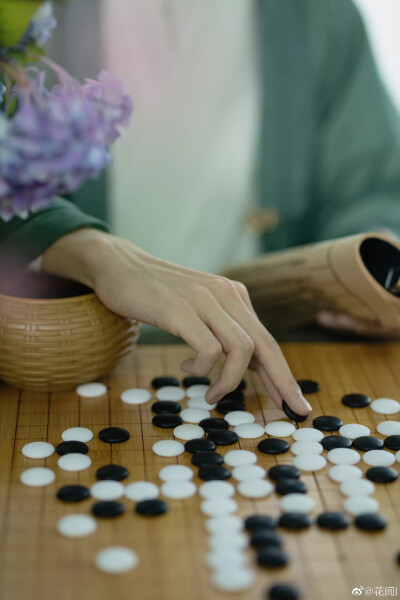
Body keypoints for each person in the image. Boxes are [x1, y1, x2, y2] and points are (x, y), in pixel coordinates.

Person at [1, 0, 400, 406]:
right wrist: (93, 253)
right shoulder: (33, 13)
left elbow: (371, 187)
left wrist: (376, 273)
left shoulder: (319, 14)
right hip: (85, 361)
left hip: (271, 355)